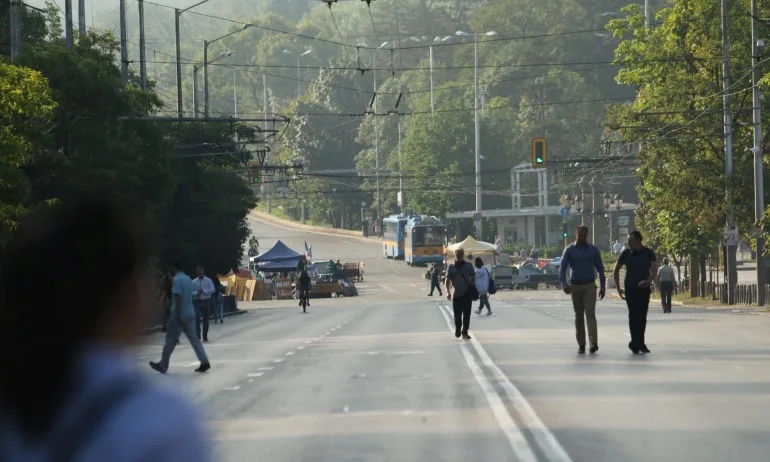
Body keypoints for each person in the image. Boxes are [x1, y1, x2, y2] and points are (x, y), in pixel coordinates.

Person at [0, 197, 210, 461]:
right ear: (126, 296)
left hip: (183, 315)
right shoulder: (157, 420)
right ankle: (189, 361)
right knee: (179, 341)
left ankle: (182, 361)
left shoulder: (15, 408)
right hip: (186, 315)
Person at [150, 260, 211, 374]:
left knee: (170, 341)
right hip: (190, 313)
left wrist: (179, 314)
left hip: (178, 315)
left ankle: (163, 365)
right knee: (195, 340)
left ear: (173, 268)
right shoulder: (188, 279)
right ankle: (204, 362)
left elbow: (179, 298)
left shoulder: (177, 280)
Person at [559, 225, 606, 355]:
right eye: (580, 236)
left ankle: (593, 343)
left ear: (587, 235)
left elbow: (600, 269)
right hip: (575, 286)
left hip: (590, 286)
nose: (582, 238)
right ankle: (581, 344)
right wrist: (564, 284)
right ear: (576, 235)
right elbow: (563, 269)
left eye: (584, 236)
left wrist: (602, 287)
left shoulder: (593, 250)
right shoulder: (569, 250)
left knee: (590, 314)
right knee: (579, 316)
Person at [613, 230, 658, 354]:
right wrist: (618, 288)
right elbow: (616, 270)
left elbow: (654, 271)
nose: (628, 242)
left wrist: (647, 281)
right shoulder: (626, 253)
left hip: (643, 289)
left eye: (631, 240)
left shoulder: (648, 253)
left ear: (638, 240)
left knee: (642, 316)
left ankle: (640, 343)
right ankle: (634, 342)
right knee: (633, 315)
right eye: (628, 240)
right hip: (630, 288)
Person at [445, 248, 476, 340]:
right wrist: (447, 292)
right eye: (457, 254)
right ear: (455, 255)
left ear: (463, 255)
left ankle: (464, 332)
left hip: (467, 295)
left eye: (460, 254)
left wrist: (472, 287)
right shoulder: (451, 267)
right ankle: (458, 329)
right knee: (457, 315)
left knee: (467, 315)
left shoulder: (469, 266)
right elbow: (447, 280)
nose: (458, 256)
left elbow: (474, 277)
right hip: (456, 295)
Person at [192, 265, 215, 342]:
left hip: (206, 301)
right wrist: (196, 293)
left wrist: (204, 291)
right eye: (197, 271)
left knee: (206, 319)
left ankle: (205, 335)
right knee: (196, 317)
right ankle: (197, 336)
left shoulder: (208, 281)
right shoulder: (194, 281)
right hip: (197, 302)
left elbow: (213, 290)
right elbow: (190, 291)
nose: (199, 273)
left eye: (200, 271)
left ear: (203, 271)